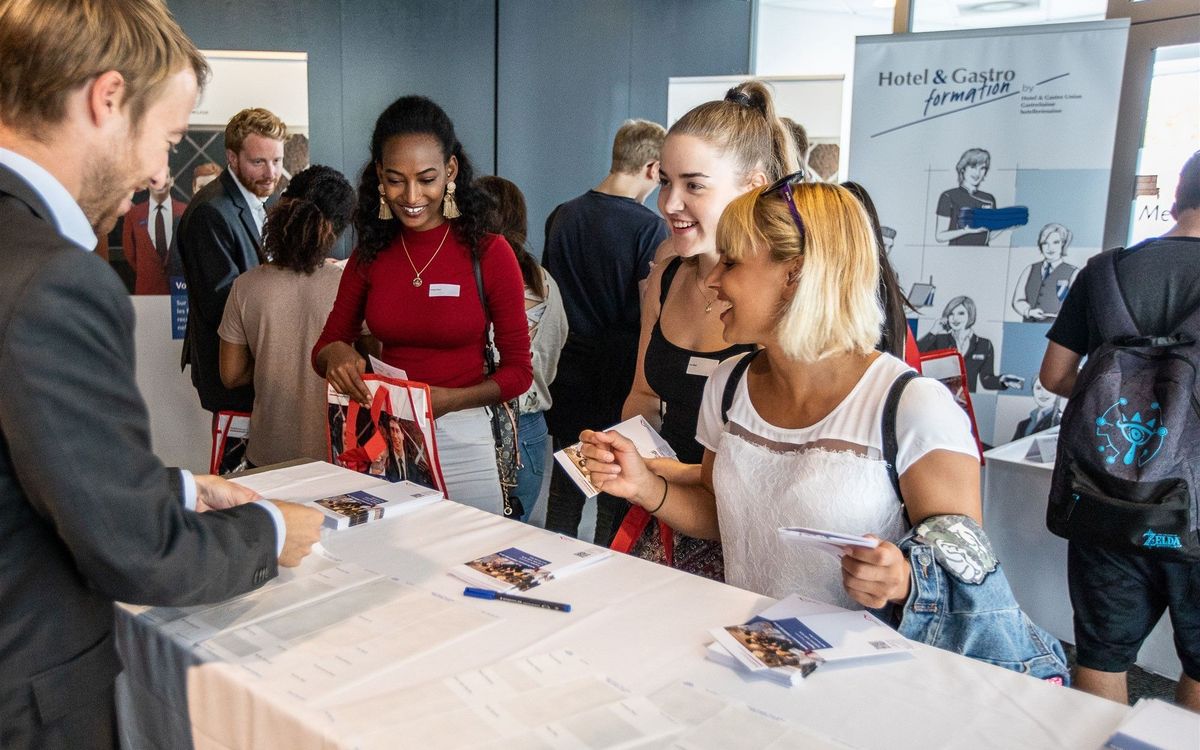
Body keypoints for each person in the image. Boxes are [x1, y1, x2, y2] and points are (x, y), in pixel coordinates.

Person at [0, 2, 322, 745]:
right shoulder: (53, 278)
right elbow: (138, 550)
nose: (158, 172)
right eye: (169, 139)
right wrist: (269, 528)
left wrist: (172, 488)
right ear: (107, 99)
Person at [580, 180, 981, 609]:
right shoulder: (728, 384)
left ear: (794, 275)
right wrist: (645, 487)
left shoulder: (912, 405)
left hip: (861, 650)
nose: (712, 280)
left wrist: (903, 579)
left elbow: (967, 571)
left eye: (731, 263)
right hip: (751, 639)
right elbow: (719, 514)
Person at [313, 96, 532, 515]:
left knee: (472, 550)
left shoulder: (489, 252)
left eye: (426, 179)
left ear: (451, 170)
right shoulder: (370, 254)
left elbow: (519, 372)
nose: (411, 196)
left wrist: (451, 400)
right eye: (396, 180)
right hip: (386, 438)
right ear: (380, 175)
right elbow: (325, 346)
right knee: (390, 552)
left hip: (463, 437)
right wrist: (336, 353)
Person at [1040, 151, 1200, 710]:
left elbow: (1055, 375)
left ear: (1176, 199)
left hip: (1105, 495)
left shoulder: (1103, 272)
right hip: (1196, 511)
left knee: (1101, 654)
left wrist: (1129, 408)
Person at [620, 82, 792, 575]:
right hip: (662, 518)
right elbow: (644, 393)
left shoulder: (786, 296)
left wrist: (673, 476)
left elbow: (793, 463)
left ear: (753, 186)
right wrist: (626, 450)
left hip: (749, 542)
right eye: (665, 182)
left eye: (694, 186)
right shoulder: (667, 271)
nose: (669, 203)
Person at [541, 119, 668, 541]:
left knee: (564, 493)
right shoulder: (648, 228)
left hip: (568, 371)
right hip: (620, 376)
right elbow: (651, 310)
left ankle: (552, 562)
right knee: (614, 489)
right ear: (652, 168)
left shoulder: (562, 215)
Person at [218, 165, 356, 467]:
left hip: (267, 455)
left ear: (284, 207)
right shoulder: (351, 285)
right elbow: (374, 363)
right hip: (339, 457)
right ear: (339, 227)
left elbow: (231, 374)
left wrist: (273, 357)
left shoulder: (245, 286)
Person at [178, 107, 287, 415]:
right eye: (258, 162)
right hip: (233, 378)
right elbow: (223, 303)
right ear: (232, 158)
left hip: (253, 370)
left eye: (277, 161)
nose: (271, 173)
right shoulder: (210, 211)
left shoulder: (255, 199)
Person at [476, 175, 568, 524]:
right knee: (511, 538)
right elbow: (554, 347)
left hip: (474, 421)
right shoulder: (545, 281)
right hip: (529, 427)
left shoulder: (472, 278)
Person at [918, 295, 1021, 392]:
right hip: (941, 398)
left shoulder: (984, 344)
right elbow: (914, 356)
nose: (955, 318)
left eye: (961, 313)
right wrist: (933, 331)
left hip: (969, 400)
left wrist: (1002, 380)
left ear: (970, 315)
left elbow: (986, 380)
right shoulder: (939, 340)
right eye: (951, 314)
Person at [121, 171, 185, 294]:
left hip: (179, 292)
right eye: (154, 179)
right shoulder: (133, 215)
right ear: (147, 183)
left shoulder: (184, 210)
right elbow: (130, 253)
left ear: (171, 181)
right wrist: (148, 270)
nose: (160, 183)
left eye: (165, 177)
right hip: (147, 290)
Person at [1011, 222, 1079, 322]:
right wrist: (1029, 311)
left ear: (1063, 244)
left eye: (1055, 242)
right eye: (1045, 243)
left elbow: (1078, 305)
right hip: (1027, 326)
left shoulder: (1074, 272)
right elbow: (1017, 300)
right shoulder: (1030, 269)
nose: (1050, 248)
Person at [935, 147, 997, 246]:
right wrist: (966, 231)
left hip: (984, 253)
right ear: (963, 169)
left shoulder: (989, 199)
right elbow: (940, 236)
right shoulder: (948, 196)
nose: (977, 173)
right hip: (957, 252)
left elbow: (989, 235)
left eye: (982, 168)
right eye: (973, 167)